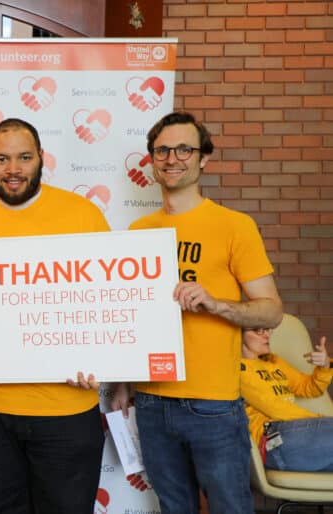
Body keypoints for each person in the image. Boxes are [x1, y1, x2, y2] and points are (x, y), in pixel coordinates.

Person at [0, 118, 110, 513]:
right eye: (2, 158)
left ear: (41, 158)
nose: (13, 169)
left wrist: (107, 358)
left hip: (66, 403)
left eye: (24, 157)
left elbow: (108, 300)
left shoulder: (83, 215)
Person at [111, 111, 284, 513]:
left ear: (203, 158)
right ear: (152, 160)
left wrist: (216, 303)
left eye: (184, 149)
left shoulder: (234, 226)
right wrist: (122, 381)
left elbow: (272, 311)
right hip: (152, 401)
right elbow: (133, 316)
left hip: (213, 404)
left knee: (230, 508)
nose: (173, 158)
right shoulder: (139, 232)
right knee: (174, 508)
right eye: (163, 150)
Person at [240, 328, 333, 472]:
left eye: (267, 330)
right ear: (238, 334)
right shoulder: (238, 369)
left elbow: (309, 388)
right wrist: (321, 424)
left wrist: (325, 367)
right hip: (273, 439)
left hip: (298, 434)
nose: (267, 335)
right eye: (258, 331)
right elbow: (276, 408)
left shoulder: (274, 362)